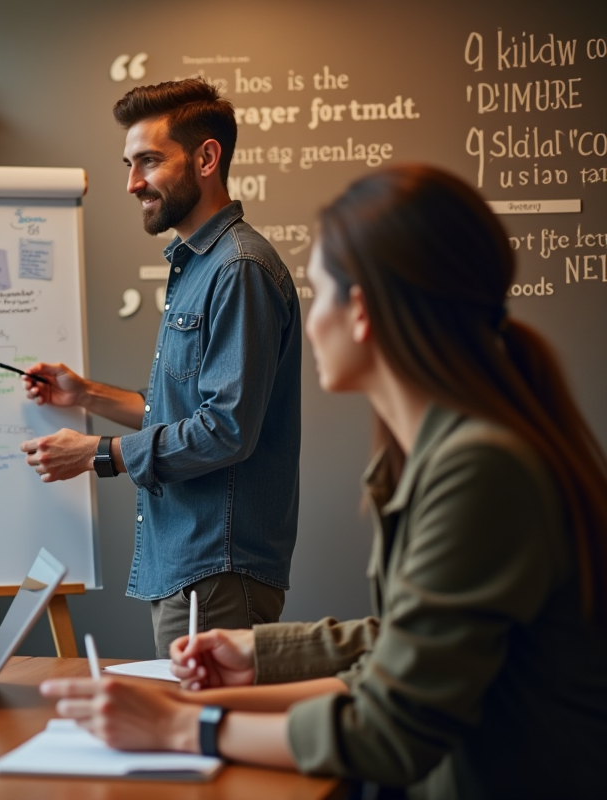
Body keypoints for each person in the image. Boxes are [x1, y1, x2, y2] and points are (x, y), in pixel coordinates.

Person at [40, 165, 607, 799]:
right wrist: (258, 659)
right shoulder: (441, 454)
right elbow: (401, 644)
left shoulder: (478, 471)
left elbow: (390, 729)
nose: (308, 326)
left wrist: (180, 727)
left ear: (359, 310)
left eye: (319, 294)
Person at [19, 79, 301, 654]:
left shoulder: (238, 268)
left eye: (149, 160)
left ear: (206, 157)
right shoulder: (198, 266)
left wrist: (97, 454)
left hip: (215, 569)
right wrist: (85, 393)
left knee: (204, 738)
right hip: (187, 565)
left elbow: (225, 430)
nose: (131, 183)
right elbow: (178, 413)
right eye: (129, 163)